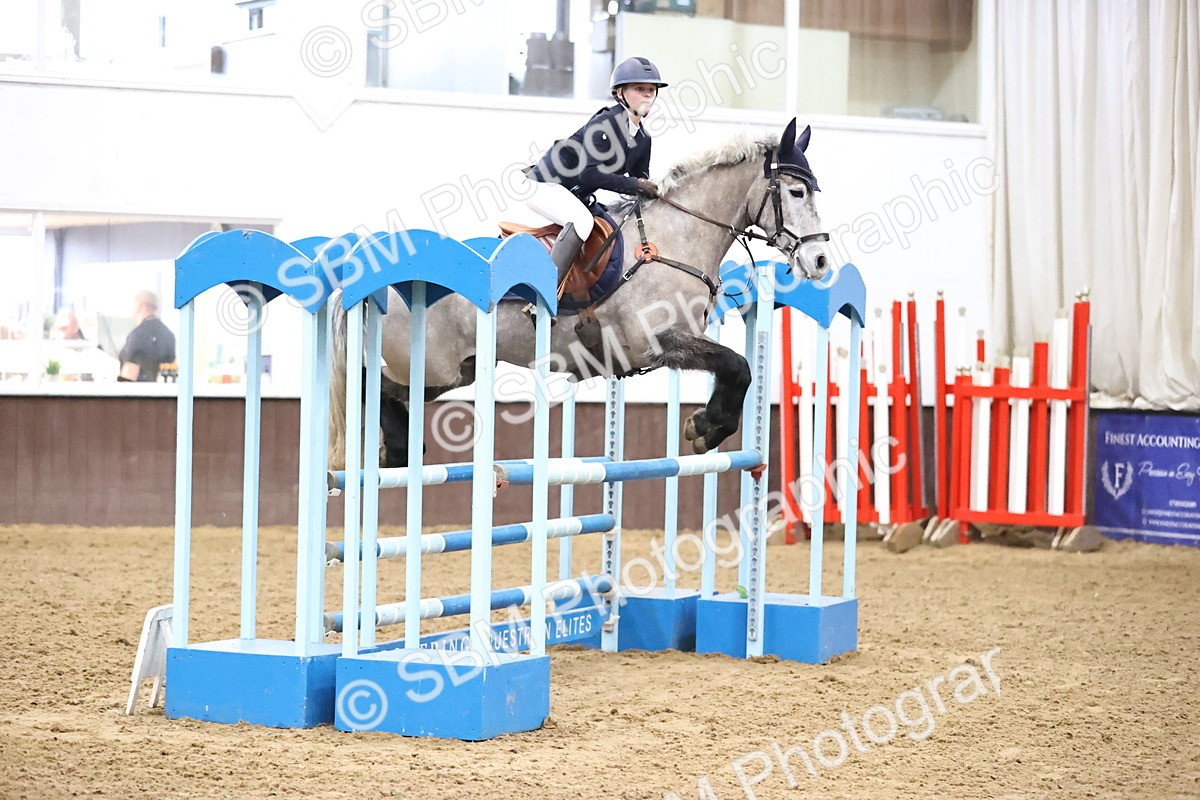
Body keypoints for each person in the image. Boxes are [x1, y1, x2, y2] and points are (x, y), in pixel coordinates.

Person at [522, 56, 668, 281]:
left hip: (574, 194)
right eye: (640, 88)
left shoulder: (643, 139)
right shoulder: (605, 124)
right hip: (545, 185)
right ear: (620, 93)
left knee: (609, 222)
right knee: (582, 222)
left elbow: (640, 185)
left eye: (651, 89)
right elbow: (589, 175)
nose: (648, 94)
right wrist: (637, 185)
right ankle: (545, 290)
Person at [118, 290, 175, 382]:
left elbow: (129, 376)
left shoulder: (137, 335)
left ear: (139, 304)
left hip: (140, 393)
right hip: (162, 393)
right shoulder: (168, 335)